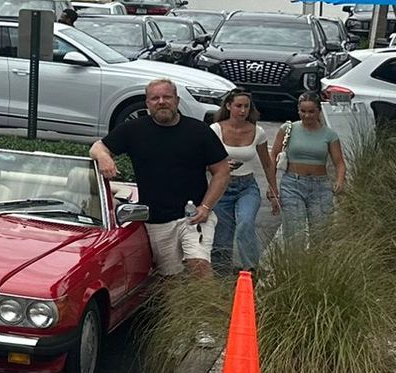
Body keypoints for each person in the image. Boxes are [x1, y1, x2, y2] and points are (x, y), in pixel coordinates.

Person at [89, 78, 230, 279]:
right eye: (155, 98)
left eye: (167, 97)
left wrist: (206, 207)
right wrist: (104, 158)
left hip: (193, 216)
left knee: (199, 265)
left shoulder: (199, 131)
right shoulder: (133, 130)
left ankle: (211, 309)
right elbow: (97, 147)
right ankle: (181, 310)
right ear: (147, 104)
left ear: (177, 101)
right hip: (156, 220)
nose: (161, 102)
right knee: (170, 278)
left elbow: (222, 171)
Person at [209, 90, 278, 272]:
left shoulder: (258, 132)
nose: (242, 110)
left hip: (247, 186)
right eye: (238, 106)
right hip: (221, 187)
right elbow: (203, 160)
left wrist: (273, 191)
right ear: (229, 106)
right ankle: (221, 275)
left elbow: (267, 164)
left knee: (245, 223)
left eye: (246, 106)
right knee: (222, 234)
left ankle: (250, 269)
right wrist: (222, 165)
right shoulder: (216, 129)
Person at [271, 91, 346, 247]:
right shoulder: (288, 129)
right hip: (293, 184)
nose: (307, 115)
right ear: (298, 110)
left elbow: (339, 162)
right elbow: (273, 157)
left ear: (318, 111)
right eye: (303, 111)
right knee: (294, 233)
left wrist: (339, 180)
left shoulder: (329, 134)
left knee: (321, 234)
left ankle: (318, 267)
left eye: (311, 111)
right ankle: (294, 267)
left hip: (320, 185)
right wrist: (272, 187)